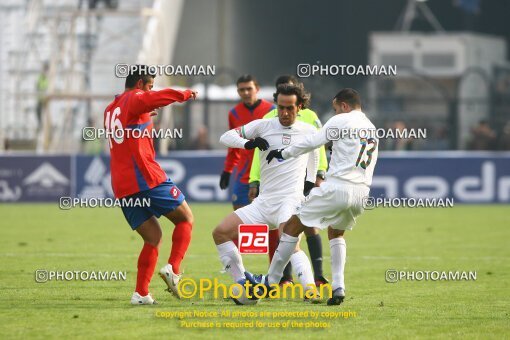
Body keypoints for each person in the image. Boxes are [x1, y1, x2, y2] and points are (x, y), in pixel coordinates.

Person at [246, 88, 379, 306]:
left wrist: (283, 153)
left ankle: (270, 280)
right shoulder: (371, 128)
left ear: (344, 106)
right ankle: (338, 287)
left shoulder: (342, 120)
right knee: (336, 234)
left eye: (336, 109)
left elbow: (312, 142)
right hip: (361, 192)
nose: (335, 114)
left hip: (338, 187)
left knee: (291, 227)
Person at [213, 83, 319, 302]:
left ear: (299, 107)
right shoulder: (263, 126)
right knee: (220, 232)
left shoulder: (308, 130)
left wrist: (309, 181)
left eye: (290, 108)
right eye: (281, 107)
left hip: (289, 201)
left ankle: (310, 290)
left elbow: (314, 153)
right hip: (263, 203)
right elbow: (226, 137)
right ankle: (243, 282)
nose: (285, 113)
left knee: (290, 242)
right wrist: (248, 143)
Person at [104, 65, 197, 305]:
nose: (150, 91)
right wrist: (184, 94)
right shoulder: (135, 98)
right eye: (149, 86)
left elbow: (129, 126)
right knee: (186, 218)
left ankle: (141, 294)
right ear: (139, 85)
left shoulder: (110, 108)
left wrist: (145, 113)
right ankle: (174, 269)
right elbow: (152, 98)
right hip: (145, 176)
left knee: (153, 237)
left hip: (122, 186)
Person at [249, 75, 329, 286]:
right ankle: (285, 277)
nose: (285, 108)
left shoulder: (310, 117)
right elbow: (260, 154)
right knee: (282, 228)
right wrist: (254, 180)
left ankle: (318, 275)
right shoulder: (269, 118)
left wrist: (320, 173)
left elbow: (318, 146)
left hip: (306, 177)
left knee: (309, 226)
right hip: (278, 180)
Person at [219, 75, 275, 210]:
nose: (245, 93)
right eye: (241, 90)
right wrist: (227, 170)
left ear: (257, 89)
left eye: (249, 89)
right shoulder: (234, 113)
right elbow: (233, 145)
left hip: (266, 172)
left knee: (270, 220)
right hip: (244, 173)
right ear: (238, 92)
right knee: (239, 215)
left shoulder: (272, 111)